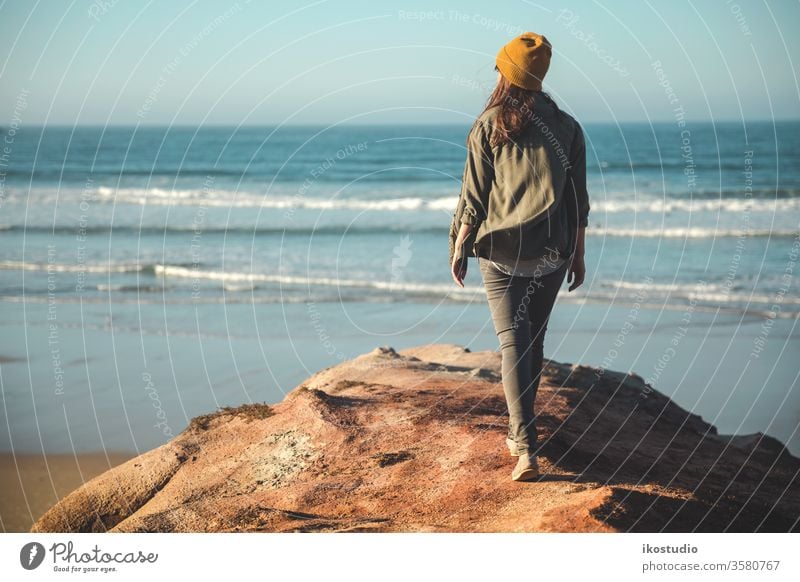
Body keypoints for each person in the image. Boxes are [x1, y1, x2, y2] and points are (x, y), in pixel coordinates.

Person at [448, 32, 590, 482]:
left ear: (505, 73)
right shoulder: (567, 126)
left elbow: (474, 196)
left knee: (513, 341)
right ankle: (519, 434)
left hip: (502, 250)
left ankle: (526, 448)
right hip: (554, 249)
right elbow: (578, 201)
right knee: (532, 342)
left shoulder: (489, 123)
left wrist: (459, 244)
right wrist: (579, 255)